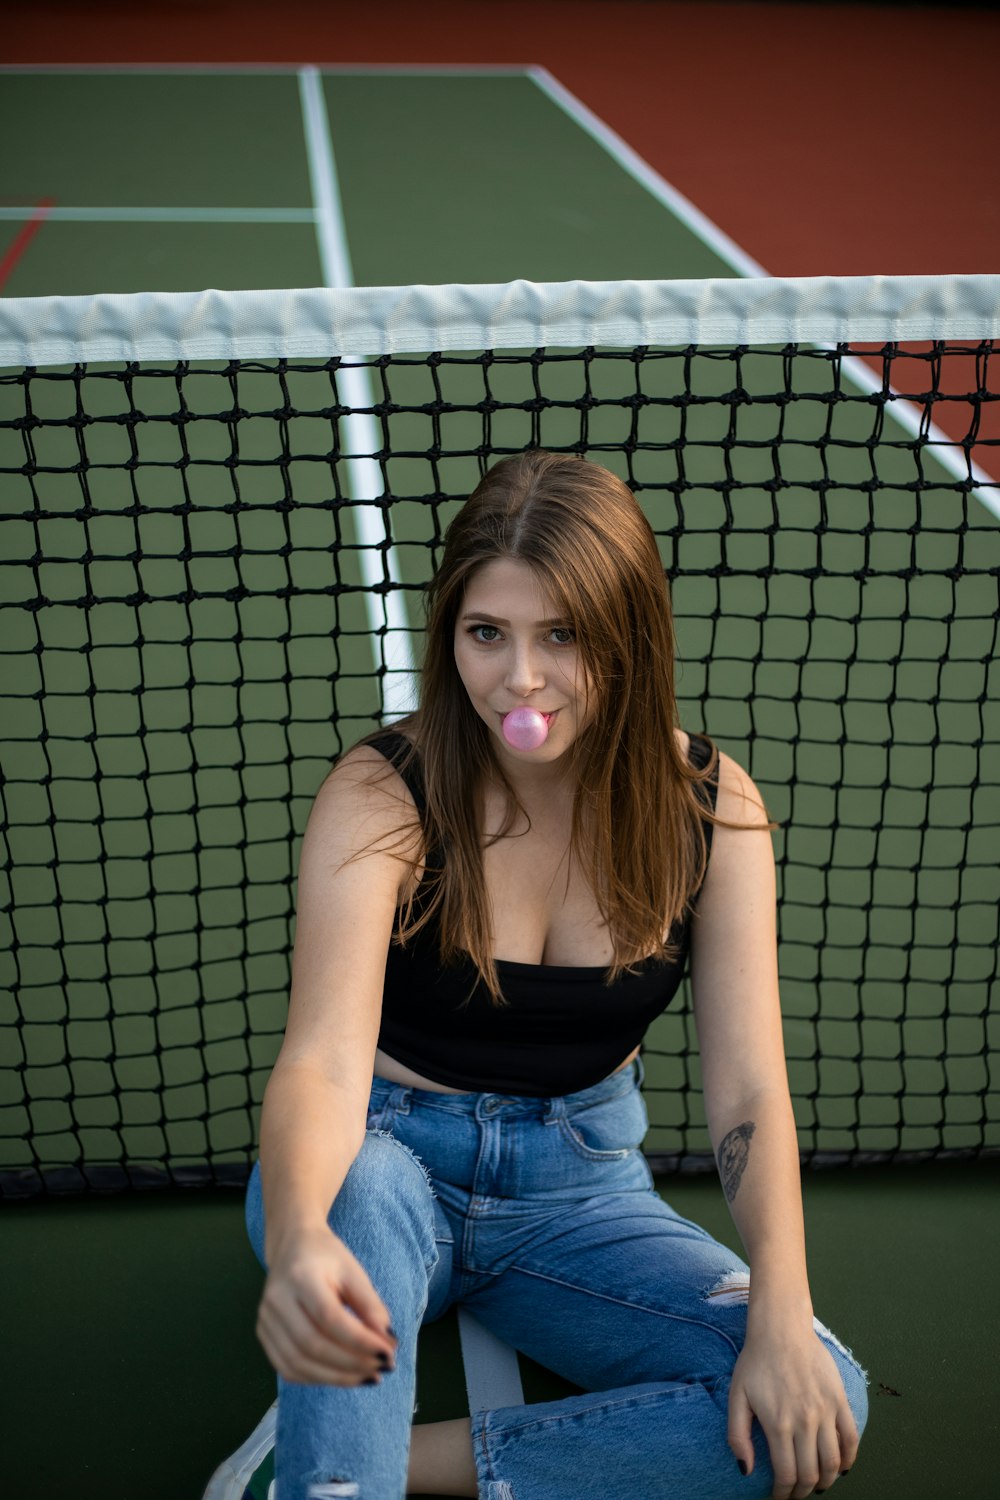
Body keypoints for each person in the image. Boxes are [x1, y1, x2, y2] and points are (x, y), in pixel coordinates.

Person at [244, 450, 869, 1500]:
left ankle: (374, 1460)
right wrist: (303, 1232)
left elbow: (750, 1092)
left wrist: (778, 1313)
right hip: (382, 1164)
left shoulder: (710, 811)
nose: (519, 681)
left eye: (560, 636)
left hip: (577, 1189)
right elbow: (321, 1062)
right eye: (487, 634)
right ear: (452, 634)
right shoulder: (383, 793)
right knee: (365, 1188)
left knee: (819, 1402)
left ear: (625, 638)